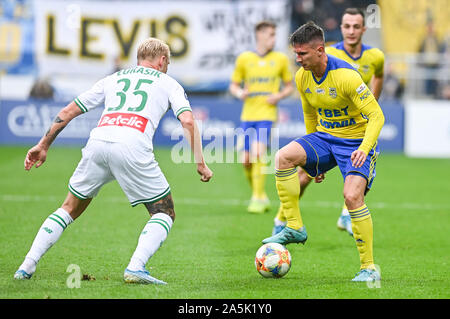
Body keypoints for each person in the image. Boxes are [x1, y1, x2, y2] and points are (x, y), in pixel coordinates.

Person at [14, 37, 213, 285]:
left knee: (69, 207)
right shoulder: (169, 83)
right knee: (164, 211)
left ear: (139, 58)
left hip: (98, 143)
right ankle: (136, 267)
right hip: (132, 145)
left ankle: (26, 266)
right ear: (162, 60)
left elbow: (67, 112)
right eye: (168, 63)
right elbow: (188, 121)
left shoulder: (113, 78)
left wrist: (43, 145)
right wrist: (200, 163)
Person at [261, 21, 385, 282]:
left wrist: (364, 148)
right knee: (283, 157)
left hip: (355, 143)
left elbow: (376, 116)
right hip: (325, 138)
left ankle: (369, 268)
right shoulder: (301, 76)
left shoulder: (347, 76)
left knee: (352, 197)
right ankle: (294, 226)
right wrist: (311, 160)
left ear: (320, 50)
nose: (298, 59)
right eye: (295, 53)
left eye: (302, 54)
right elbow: (310, 113)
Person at [229, 20, 294, 214]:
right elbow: (234, 85)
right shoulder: (244, 59)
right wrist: (240, 93)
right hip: (248, 114)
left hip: (267, 114)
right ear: (260, 35)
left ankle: (257, 197)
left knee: (258, 152)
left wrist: (278, 95)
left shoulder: (281, 59)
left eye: (275, 34)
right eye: (271, 34)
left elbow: (290, 86)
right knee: (246, 160)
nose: (274, 38)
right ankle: (260, 195)